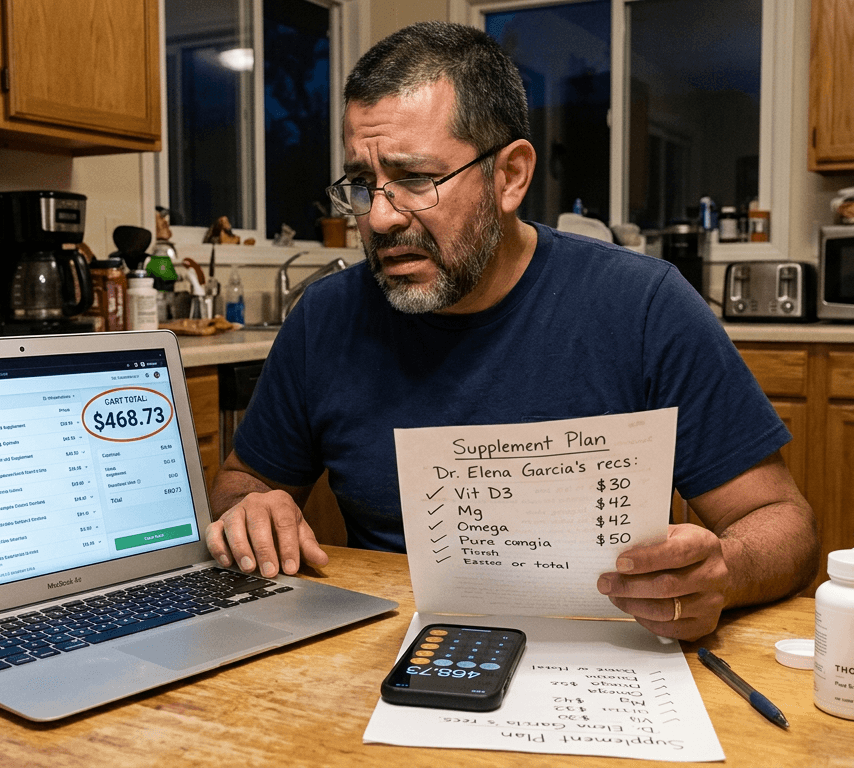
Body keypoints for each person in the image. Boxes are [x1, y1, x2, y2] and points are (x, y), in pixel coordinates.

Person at [204, 21, 818, 641]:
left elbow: (780, 520)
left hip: (607, 655)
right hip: (392, 658)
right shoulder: (324, 320)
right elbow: (242, 484)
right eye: (363, 185)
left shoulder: (643, 307)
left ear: (510, 177)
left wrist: (724, 570)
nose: (381, 218)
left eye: (416, 179)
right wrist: (249, 510)